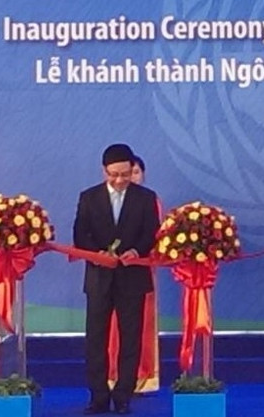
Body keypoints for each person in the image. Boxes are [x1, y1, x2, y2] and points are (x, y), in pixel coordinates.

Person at [74, 144, 160, 415]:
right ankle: (98, 396)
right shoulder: (88, 197)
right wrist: (96, 253)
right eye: (114, 175)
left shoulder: (145, 198)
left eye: (125, 174)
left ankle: (123, 395)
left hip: (132, 277)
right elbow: (80, 233)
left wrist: (138, 250)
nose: (120, 180)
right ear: (104, 171)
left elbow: (152, 233)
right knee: (95, 339)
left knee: (130, 339)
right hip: (99, 278)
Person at [106, 155, 160, 394]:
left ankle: (143, 376)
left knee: (140, 324)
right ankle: (111, 377)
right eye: (129, 172)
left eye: (136, 172)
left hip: (139, 272)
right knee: (110, 325)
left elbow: (154, 235)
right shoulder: (104, 199)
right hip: (108, 274)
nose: (131, 178)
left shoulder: (150, 201)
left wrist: (136, 252)